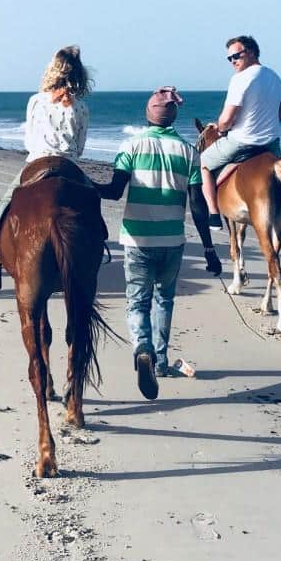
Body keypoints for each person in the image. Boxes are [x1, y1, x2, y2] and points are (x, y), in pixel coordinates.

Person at [96, 88, 221, 398]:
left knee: (137, 300)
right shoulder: (189, 153)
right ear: (174, 117)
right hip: (172, 239)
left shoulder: (131, 146)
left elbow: (113, 191)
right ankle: (161, 361)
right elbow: (198, 205)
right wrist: (209, 249)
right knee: (164, 300)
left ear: (147, 114)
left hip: (138, 239)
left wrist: (82, 185)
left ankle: (143, 348)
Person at [0, 45, 91, 268]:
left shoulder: (36, 101)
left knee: (7, 200)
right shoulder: (81, 107)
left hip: (38, 160)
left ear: (53, 71)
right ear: (79, 75)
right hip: (68, 163)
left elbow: (29, 141)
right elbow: (80, 147)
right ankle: (97, 247)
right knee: (92, 201)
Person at [199, 34, 281, 218]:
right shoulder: (275, 77)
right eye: (229, 58)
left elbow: (226, 120)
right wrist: (263, 121)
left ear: (250, 52)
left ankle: (213, 212)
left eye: (236, 56)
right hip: (271, 145)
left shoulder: (240, 78)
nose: (232, 61)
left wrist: (221, 129)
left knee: (203, 163)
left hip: (242, 142)